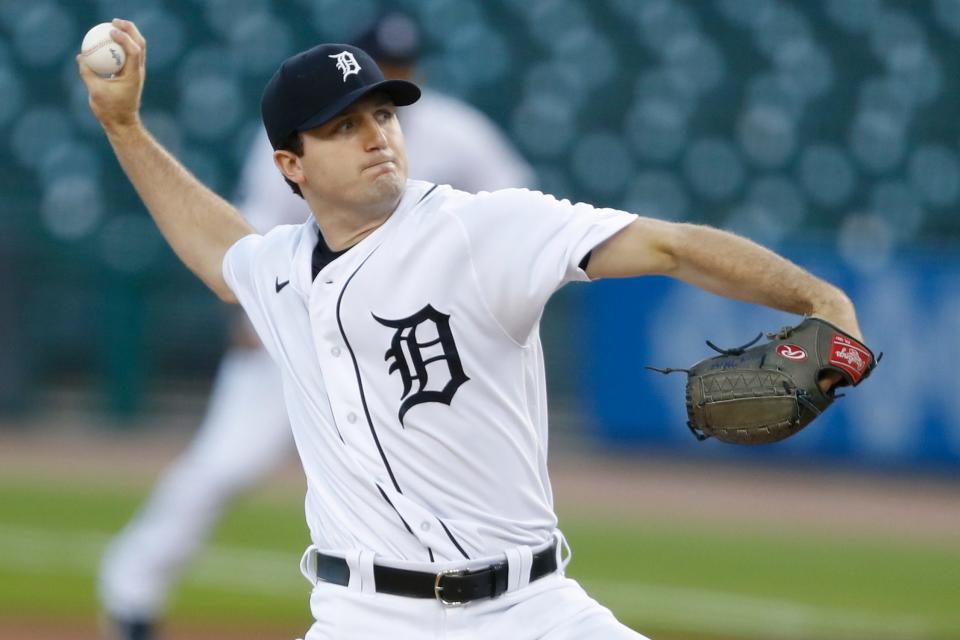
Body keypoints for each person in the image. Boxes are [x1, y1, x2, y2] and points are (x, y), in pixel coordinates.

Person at [79, 19, 864, 639]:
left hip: (533, 613)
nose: (376, 134)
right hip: (363, 620)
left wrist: (821, 298)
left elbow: (672, 246)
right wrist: (124, 128)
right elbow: (221, 250)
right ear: (293, 167)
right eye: (344, 126)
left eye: (382, 113)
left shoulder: (484, 228)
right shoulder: (280, 269)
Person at [97, 12, 534, 640]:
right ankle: (131, 589)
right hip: (302, 328)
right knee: (227, 464)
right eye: (389, 63)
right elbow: (253, 226)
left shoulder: (456, 131)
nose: (398, 77)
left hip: (401, 344)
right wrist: (255, 306)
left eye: (405, 69)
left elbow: (514, 202)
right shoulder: (307, 130)